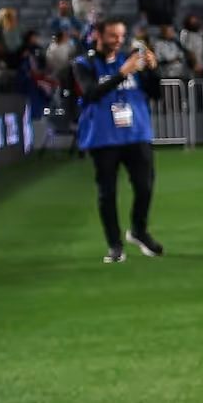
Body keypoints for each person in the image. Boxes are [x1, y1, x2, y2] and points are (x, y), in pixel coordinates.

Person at [73, 19, 160, 261]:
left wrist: (153, 70)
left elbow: (156, 93)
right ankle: (114, 244)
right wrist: (122, 74)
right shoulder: (84, 63)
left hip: (136, 132)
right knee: (107, 192)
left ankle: (139, 230)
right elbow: (91, 93)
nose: (118, 40)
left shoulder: (130, 60)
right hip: (103, 136)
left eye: (121, 35)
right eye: (113, 35)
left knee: (145, 186)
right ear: (98, 36)